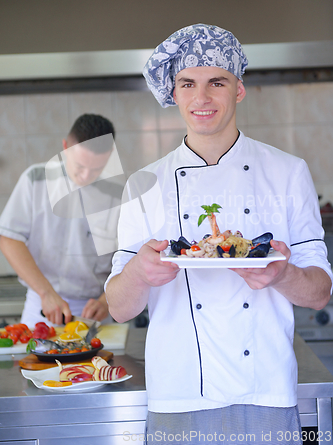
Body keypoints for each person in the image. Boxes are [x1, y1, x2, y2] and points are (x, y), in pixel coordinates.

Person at [105, 24, 333, 444]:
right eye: (187, 83)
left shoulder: (287, 172)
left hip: (266, 392)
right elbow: (118, 308)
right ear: (174, 93)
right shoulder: (143, 184)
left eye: (217, 82)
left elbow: (320, 292)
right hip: (178, 397)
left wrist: (283, 275)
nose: (202, 97)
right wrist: (138, 273)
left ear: (239, 90)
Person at [0, 114, 123, 327]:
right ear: (65, 147)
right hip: (43, 306)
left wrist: (107, 300)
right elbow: (9, 238)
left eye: (95, 169)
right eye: (79, 166)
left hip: (96, 312)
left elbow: (129, 257)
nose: (85, 176)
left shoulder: (118, 196)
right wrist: (45, 292)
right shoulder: (35, 179)